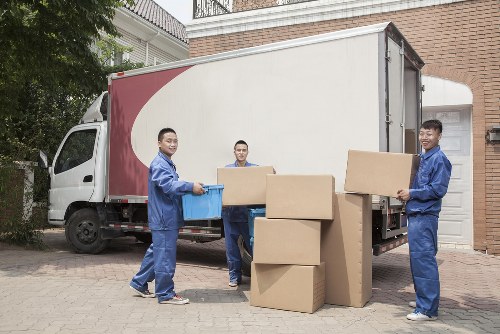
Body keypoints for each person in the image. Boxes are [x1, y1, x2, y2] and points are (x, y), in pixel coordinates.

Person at [130, 128, 205, 305]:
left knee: (157, 252)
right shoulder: (159, 164)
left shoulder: (166, 163)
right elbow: (168, 185)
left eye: (175, 141)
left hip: (166, 217)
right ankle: (165, 294)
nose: (173, 144)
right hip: (164, 219)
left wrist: (190, 186)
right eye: (168, 141)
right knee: (164, 256)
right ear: (159, 143)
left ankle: (139, 283)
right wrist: (189, 186)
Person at [397, 119, 452, 321]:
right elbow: (417, 185)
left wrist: (412, 193)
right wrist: (406, 193)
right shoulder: (423, 157)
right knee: (417, 261)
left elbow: (438, 190)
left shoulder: (439, 159)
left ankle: (428, 310)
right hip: (416, 214)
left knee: (424, 261)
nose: (424, 137)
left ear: (439, 136)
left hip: (425, 216)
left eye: (429, 134)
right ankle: (423, 299)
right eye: (422, 133)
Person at [223, 140, 257, 287]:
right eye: (238, 150)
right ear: (234, 152)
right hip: (230, 214)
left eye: (244, 150)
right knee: (231, 248)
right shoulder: (227, 170)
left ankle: (261, 275)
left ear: (247, 152)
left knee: (254, 246)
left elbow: (263, 182)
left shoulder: (255, 170)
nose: (241, 152)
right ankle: (234, 277)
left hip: (247, 215)